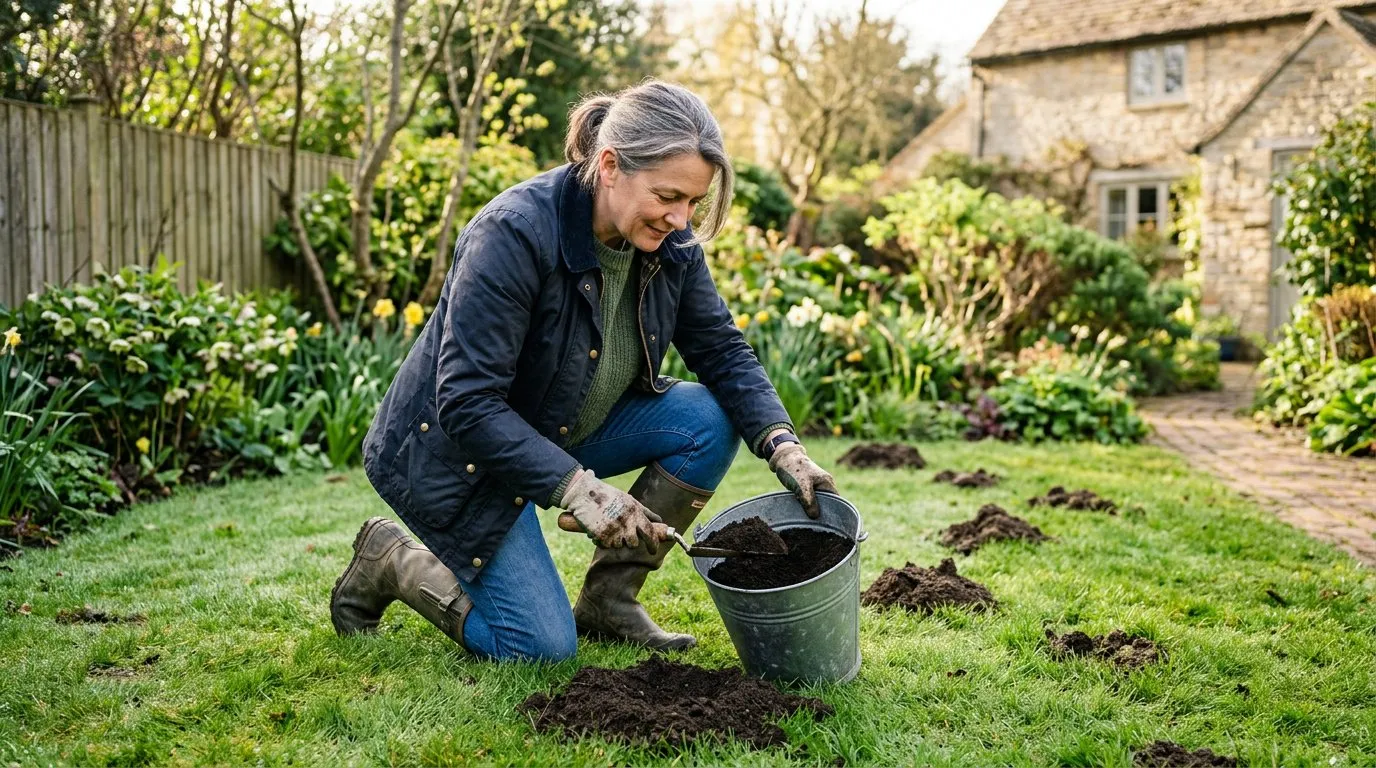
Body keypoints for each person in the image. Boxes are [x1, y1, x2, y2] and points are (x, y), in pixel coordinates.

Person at [330, 80, 837, 662]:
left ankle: (608, 603)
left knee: (706, 419)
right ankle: (392, 560)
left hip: (559, 425)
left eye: (694, 202)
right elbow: (468, 403)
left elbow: (721, 349)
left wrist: (783, 445)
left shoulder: (671, 244)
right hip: (460, 456)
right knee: (540, 648)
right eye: (668, 196)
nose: (680, 218)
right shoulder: (514, 233)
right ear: (610, 165)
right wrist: (580, 489)